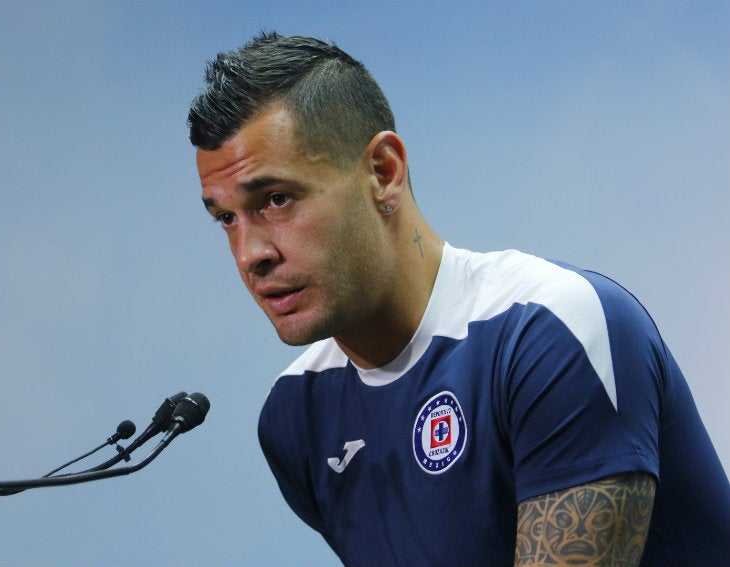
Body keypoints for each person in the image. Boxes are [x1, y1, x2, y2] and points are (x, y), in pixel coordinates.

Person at [187, 31, 730, 566]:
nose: (247, 254)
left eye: (277, 199)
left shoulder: (551, 330)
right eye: (226, 219)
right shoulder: (295, 414)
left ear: (384, 172)